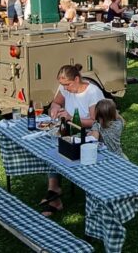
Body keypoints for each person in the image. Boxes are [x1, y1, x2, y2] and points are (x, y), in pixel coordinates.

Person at [43, 64, 105, 215]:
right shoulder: (65, 88)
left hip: (90, 135)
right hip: (70, 130)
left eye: (67, 84)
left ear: (77, 79)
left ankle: (55, 194)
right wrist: (54, 108)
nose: (65, 88)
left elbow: (96, 122)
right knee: (51, 148)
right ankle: (54, 190)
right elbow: (56, 102)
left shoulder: (93, 92)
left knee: (59, 148)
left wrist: (70, 118)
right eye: (62, 85)